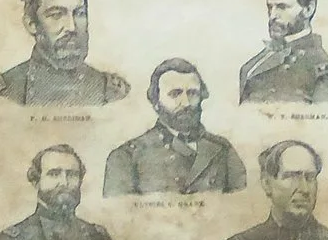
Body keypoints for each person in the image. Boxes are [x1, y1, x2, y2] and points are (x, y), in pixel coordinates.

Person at [104, 60, 246, 196]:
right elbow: (118, 210)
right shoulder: (126, 157)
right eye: (175, 94)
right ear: (155, 101)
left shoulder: (222, 150)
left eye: (192, 93)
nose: (186, 103)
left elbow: (242, 203)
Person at [0, 0, 130, 106]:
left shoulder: (109, 92)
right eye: (56, 15)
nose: (72, 27)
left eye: (80, 14)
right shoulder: (7, 90)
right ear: (31, 24)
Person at [0, 145, 117, 240]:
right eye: (54, 174)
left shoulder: (100, 238)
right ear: (36, 181)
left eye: (72, 175)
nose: (64, 182)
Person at [238, 0, 328, 104]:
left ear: (308, 9)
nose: (272, 16)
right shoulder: (259, 61)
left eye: (282, 7)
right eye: (270, 7)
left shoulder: (323, 74)